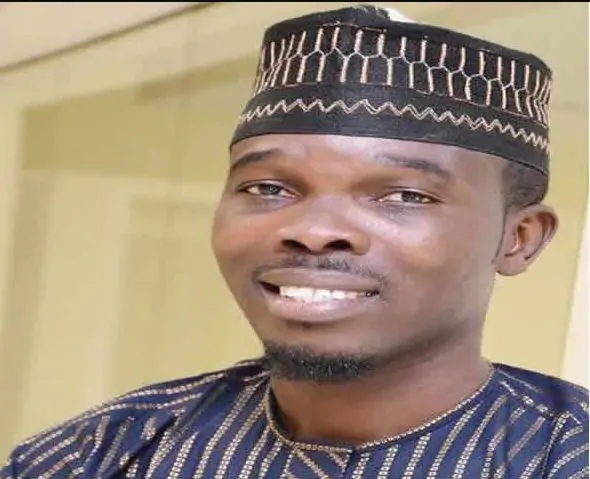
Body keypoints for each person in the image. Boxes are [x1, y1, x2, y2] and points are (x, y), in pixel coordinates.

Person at [2, 4, 588, 478]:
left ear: (519, 239)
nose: (312, 231)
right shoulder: (99, 455)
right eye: (268, 187)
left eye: (404, 196)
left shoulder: (565, 458)